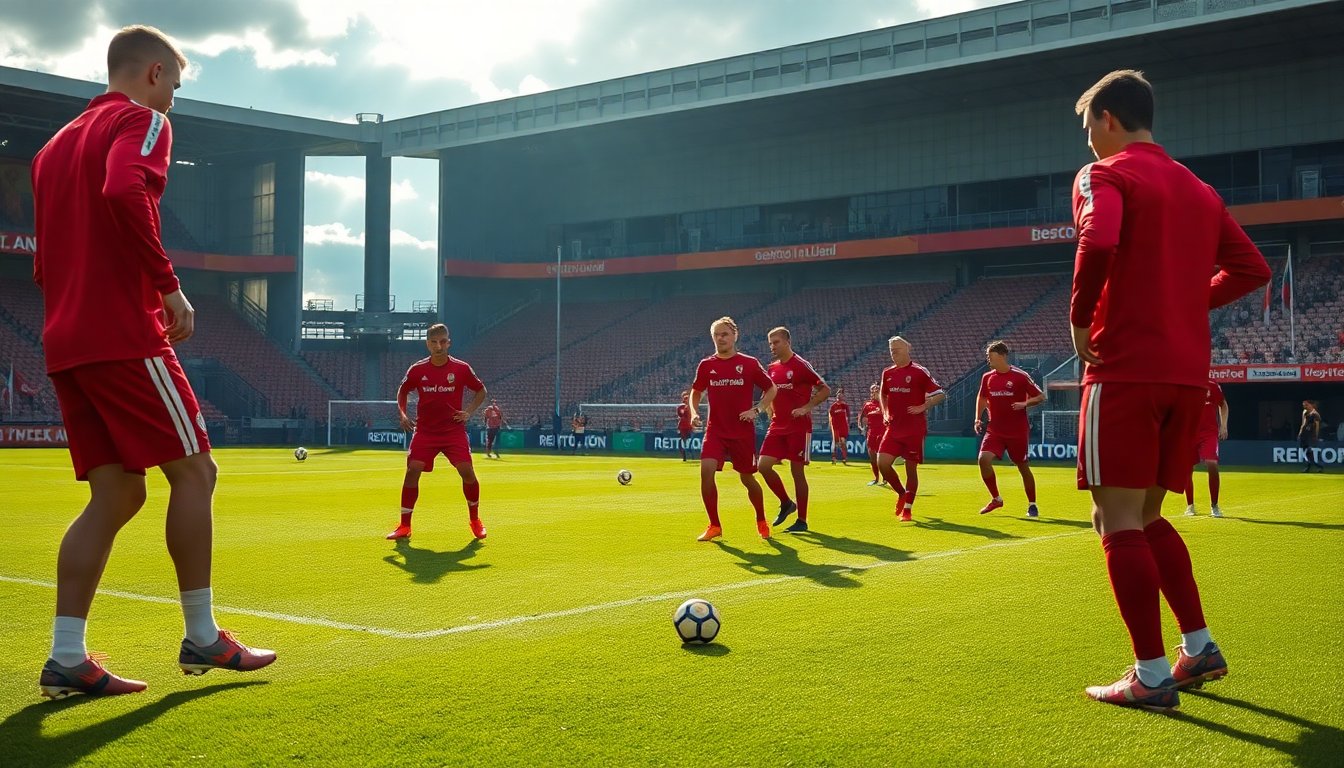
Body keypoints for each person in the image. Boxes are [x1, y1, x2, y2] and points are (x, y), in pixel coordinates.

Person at [30, 25, 275, 699]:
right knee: (196, 471)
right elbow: (120, 190)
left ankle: (66, 657)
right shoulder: (142, 121)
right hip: (121, 333)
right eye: (177, 85)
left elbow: (44, 257)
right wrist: (167, 284)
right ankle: (202, 638)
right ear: (156, 73)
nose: (175, 101)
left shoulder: (51, 148)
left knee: (117, 492)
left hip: (65, 339)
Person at [1070, 70, 1270, 710]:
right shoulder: (1199, 189)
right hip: (1187, 375)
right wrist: (1186, 302)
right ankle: (1198, 646)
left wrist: (1081, 318)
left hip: (1125, 366)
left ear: (1106, 118)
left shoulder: (1104, 174)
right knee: (1147, 514)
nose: (1091, 143)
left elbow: (1098, 238)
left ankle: (1151, 675)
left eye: (1089, 129)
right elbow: (1251, 268)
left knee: (1116, 519)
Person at [386, 324, 488, 541]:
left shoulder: (461, 368)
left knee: (467, 472)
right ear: (428, 344)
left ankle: (475, 520)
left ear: (449, 342)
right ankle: (404, 525)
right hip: (426, 431)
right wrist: (402, 414)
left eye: (443, 341)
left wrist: (468, 412)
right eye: (434, 342)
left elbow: (481, 390)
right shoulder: (417, 370)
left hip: (453, 431)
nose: (439, 346)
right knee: (412, 471)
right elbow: (403, 390)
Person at [689, 316, 777, 541]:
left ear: (735, 335)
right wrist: (694, 412)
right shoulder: (706, 365)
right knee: (706, 473)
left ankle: (761, 519)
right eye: (717, 335)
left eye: (725, 334)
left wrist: (757, 410)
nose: (721, 338)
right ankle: (714, 525)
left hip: (742, 433)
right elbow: (696, 392)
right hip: (715, 431)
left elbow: (771, 388)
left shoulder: (748, 363)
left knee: (747, 479)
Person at [759, 327, 830, 533]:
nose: (772, 346)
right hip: (777, 426)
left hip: (798, 427)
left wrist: (806, 407)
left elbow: (824, 389)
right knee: (763, 466)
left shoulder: (800, 365)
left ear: (787, 342)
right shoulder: (771, 368)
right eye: (770, 343)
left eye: (776, 342)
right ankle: (786, 503)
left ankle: (802, 520)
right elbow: (770, 392)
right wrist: (769, 409)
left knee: (797, 472)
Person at [876, 336, 945, 521]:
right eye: (891, 350)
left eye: (897, 349)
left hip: (914, 429)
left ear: (908, 349)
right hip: (893, 427)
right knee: (882, 463)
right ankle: (901, 493)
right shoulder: (887, 373)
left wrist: (923, 406)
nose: (894, 353)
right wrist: (884, 412)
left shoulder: (919, 372)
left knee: (910, 469)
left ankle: (907, 508)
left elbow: (940, 394)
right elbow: (883, 394)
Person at [974, 341, 1046, 518]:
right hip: (995, 430)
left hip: (1017, 430)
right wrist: (977, 417)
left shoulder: (1020, 376)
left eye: (991, 356)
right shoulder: (987, 377)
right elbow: (982, 398)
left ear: (1003, 356)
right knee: (983, 459)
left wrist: (1024, 403)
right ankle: (996, 499)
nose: (988, 359)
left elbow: (1040, 396)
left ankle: (1032, 504)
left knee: (1023, 467)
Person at [1184, 380, 1228, 517]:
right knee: (1186, 468)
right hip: (1188, 433)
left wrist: (1224, 425)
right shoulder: (1184, 385)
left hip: (1209, 433)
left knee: (1212, 463)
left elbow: (1223, 404)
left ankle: (1214, 505)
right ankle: (1190, 505)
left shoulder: (1213, 386)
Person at [860, 383, 886, 487]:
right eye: (873, 390)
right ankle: (876, 478)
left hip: (883, 433)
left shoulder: (885, 404)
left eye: (877, 390)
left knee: (882, 458)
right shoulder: (867, 405)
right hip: (871, 433)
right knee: (872, 457)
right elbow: (862, 417)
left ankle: (885, 477)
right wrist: (862, 427)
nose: (874, 392)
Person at [1299, 400, 1324, 472]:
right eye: (1304, 405)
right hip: (1304, 435)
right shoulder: (1304, 412)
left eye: (1306, 405)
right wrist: (1300, 432)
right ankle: (1311, 466)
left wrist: (1315, 436)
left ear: (1311, 405)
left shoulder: (1315, 414)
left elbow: (1317, 426)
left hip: (1310, 436)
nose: (1305, 406)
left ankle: (1318, 466)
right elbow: (1303, 423)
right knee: (1306, 452)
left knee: (1309, 451)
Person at [828, 387, 851, 465]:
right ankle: (834, 458)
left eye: (841, 397)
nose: (840, 398)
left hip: (843, 427)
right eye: (838, 397)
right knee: (836, 442)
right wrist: (831, 427)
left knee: (843, 442)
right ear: (836, 397)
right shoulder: (833, 407)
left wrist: (848, 425)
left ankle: (844, 458)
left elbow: (848, 416)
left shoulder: (845, 406)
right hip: (836, 427)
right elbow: (830, 417)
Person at [676, 389, 695, 462]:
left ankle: (690, 455)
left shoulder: (690, 406)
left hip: (688, 426)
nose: (686, 399)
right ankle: (684, 457)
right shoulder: (681, 407)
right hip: (683, 426)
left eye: (687, 397)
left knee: (688, 441)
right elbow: (680, 415)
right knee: (682, 441)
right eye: (685, 397)